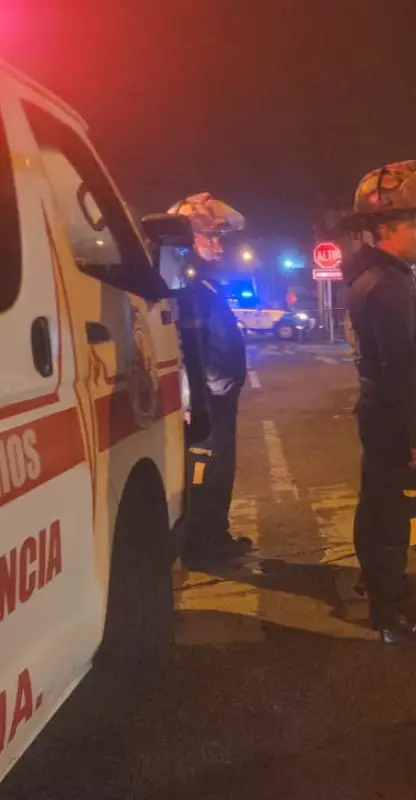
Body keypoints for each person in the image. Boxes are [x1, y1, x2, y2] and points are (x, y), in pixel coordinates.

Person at [342, 161, 416, 647]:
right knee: (393, 517)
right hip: (396, 421)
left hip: (384, 417)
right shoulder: (386, 286)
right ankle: (393, 616)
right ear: (385, 231)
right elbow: (399, 368)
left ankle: (377, 584)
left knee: (377, 507)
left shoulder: (388, 276)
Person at [170, 192, 255, 569]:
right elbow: (182, 349)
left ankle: (215, 536)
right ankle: (200, 547)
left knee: (221, 471)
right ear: (189, 242)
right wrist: (190, 402)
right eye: (210, 239)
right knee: (204, 474)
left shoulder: (206, 285)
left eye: (220, 238)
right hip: (204, 401)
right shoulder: (185, 288)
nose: (219, 246)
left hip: (220, 397)